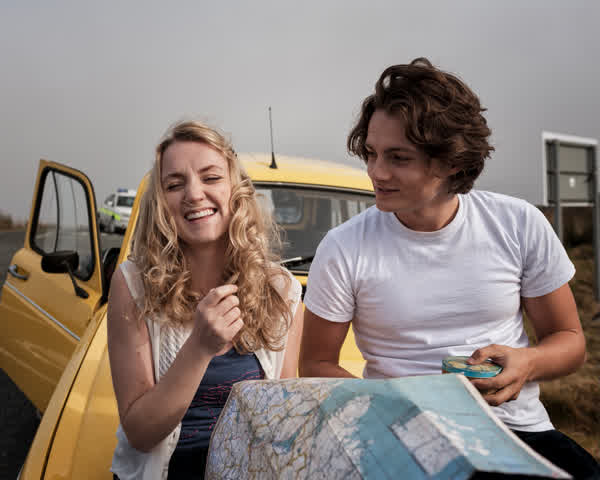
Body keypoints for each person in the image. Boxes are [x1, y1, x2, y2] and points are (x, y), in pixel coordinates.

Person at [300, 58, 600, 479]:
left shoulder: (518, 223)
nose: (376, 172)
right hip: (397, 437)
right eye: (370, 153)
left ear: (452, 161)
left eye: (398, 158)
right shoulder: (344, 246)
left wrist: (528, 362)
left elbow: (571, 342)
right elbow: (315, 365)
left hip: (515, 430)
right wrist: (394, 403)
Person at [107, 120, 303, 480]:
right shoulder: (133, 284)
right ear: (160, 202)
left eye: (211, 178)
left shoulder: (282, 290)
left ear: (236, 190)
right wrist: (199, 347)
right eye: (174, 184)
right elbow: (140, 434)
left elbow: (282, 416)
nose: (194, 194)